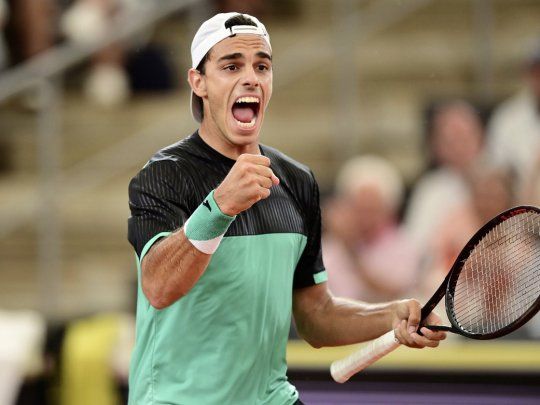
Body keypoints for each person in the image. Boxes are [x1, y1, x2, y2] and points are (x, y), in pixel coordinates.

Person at [127, 12, 446, 405]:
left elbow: (316, 316)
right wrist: (221, 206)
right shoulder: (164, 175)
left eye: (262, 66)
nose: (251, 78)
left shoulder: (297, 181)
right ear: (199, 82)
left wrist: (391, 314)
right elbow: (158, 287)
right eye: (231, 66)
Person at [323, 155, 419, 302]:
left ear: (389, 210)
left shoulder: (403, 244)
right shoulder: (327, 246)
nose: (365, 218)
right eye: (359, 208)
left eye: (372, 210)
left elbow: (393, 293)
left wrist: (352, 252)